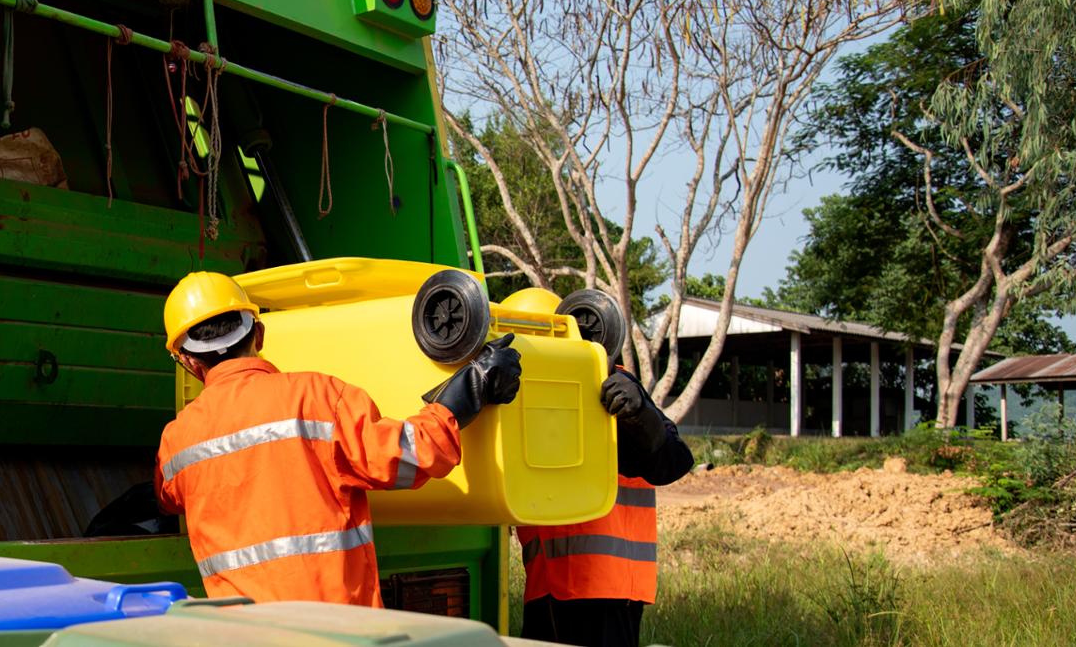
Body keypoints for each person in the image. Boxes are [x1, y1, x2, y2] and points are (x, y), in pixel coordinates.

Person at [155, 271, 522, 606]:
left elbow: (167, 498)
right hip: (338, 631)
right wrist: (471, 388)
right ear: (259, 334)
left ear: (187, 362)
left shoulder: (177, 442)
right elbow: (412, 456)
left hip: (248, 637)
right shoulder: (318, 398)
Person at [517, 364, 694, 647]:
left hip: (606, 589)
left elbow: (674, 461)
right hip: (546, 586)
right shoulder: (528, 380)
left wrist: (640, 414)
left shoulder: (613, 382)